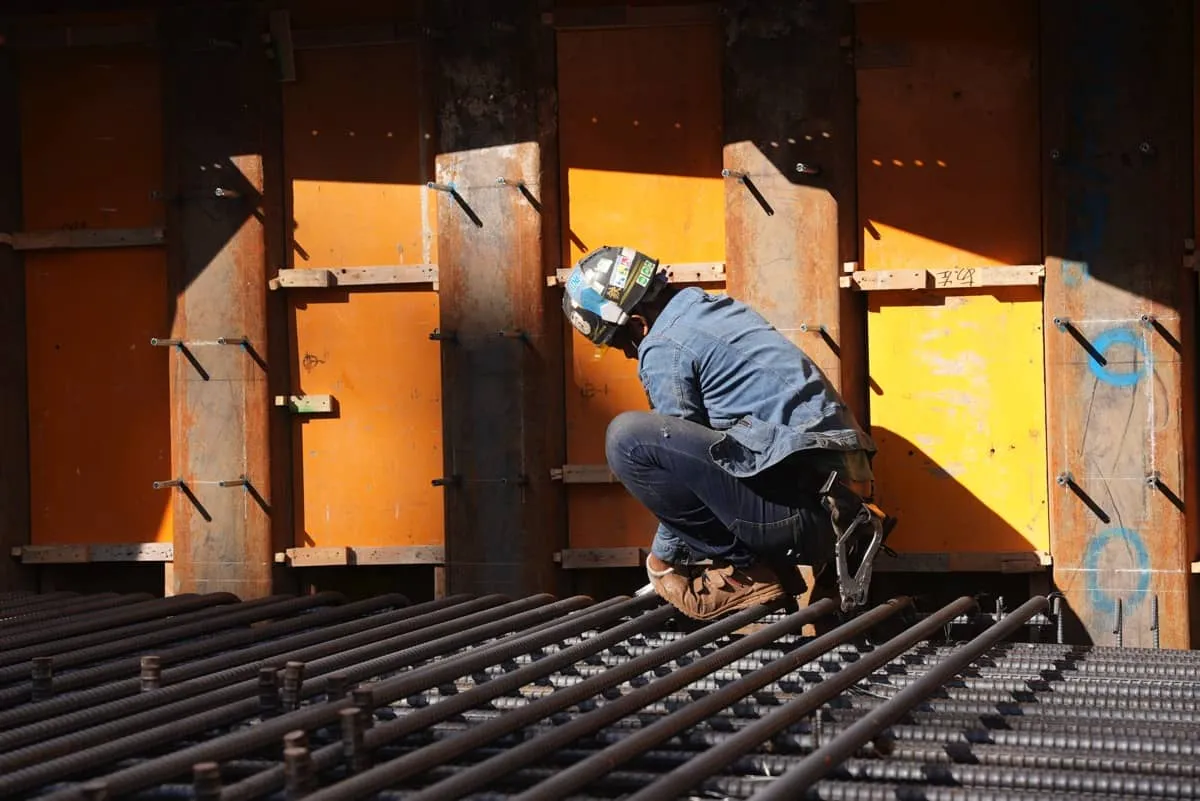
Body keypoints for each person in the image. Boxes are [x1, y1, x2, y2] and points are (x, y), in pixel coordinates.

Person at [562, 244, 885, 620]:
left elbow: (680, 465)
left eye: (620, 344)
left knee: (628, 439)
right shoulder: (709, 309)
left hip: (805, 515)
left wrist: (663, 560)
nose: (629, 355)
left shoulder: (664, 345)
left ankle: (749, 575)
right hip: (839, 507)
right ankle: (765, 569)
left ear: (637, 324)